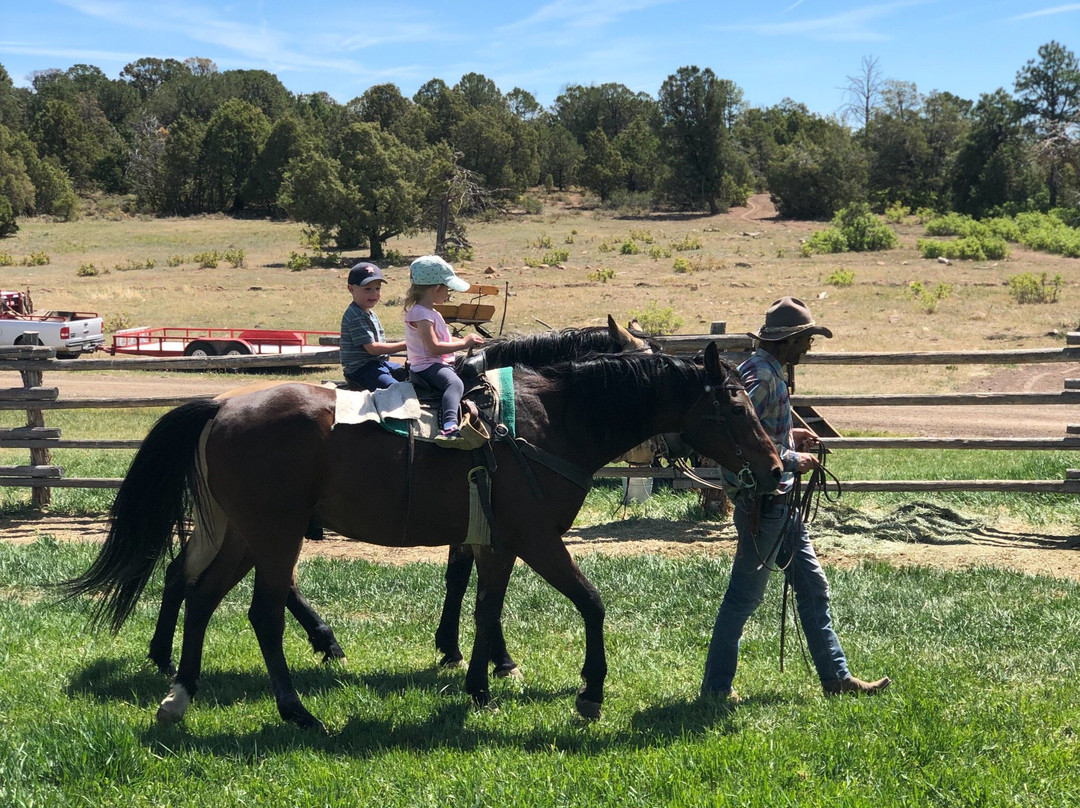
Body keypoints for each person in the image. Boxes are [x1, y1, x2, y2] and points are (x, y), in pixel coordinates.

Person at [701, 297, 890, 702]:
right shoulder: (761, 376)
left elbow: (763, 432)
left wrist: (791, 437)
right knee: (743, 598)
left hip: (780, 507)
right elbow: (742, 437)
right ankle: (715, 688)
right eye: (804, 339)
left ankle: (836, 678)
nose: (808, 347)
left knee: (812, 587)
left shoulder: (766, 371)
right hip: (764, 507)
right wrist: (790, 458)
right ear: (786, 341)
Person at [403, 255, 484, 445]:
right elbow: (433, 347)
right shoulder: (421, 314)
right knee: (454, 384)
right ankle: (449, 426)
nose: (448, 293)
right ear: (436, 288)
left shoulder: (430, 312)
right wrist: (464, 343)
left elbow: (444, 340)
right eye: (447, 288)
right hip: (427, 365)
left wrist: (468, 341)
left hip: (437, 362)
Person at [340, 262, 406, 391]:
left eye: (377, 288)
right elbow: (372, 349)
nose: (374, 294)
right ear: (351, 289)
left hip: (377, 364)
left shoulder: (369, 313)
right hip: (361, 369)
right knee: (395, 389)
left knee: (410, 375)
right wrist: (406, 345)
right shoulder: (355, 315)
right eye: (367, 289)